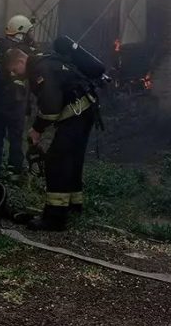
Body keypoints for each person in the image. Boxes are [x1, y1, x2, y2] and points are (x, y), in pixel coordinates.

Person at [5, 46, 100, 231]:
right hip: (84, 112)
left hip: (76, 116)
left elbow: (50, 108)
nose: (14, 74)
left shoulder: (40, 70)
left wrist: (36, 130)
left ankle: (54, 218)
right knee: (72, 160)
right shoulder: (44, 61)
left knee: (56, 162)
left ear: (21, 61)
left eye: (14, 70)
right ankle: (74, 205)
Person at [0, 14, 36, 180]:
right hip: (16, 102)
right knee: (16, 137)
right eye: (29, 32)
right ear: (21, 33)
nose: (31, 35)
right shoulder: (26, 52)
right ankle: (15, 171)